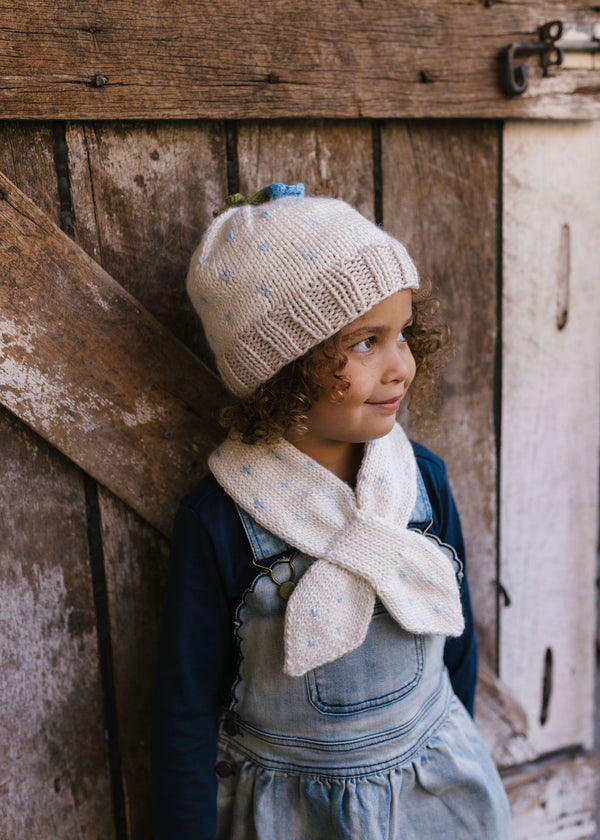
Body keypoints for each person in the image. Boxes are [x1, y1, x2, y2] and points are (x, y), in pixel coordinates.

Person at [152, 183, 512, 839]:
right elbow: (185, 705)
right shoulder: (223, 518)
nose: (401, 365)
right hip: (294, 808)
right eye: (366, 342)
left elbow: (454, 632)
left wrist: (458, 751)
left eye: (402, 334)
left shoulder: (420, 480)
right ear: (283, 366)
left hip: (430, 787)